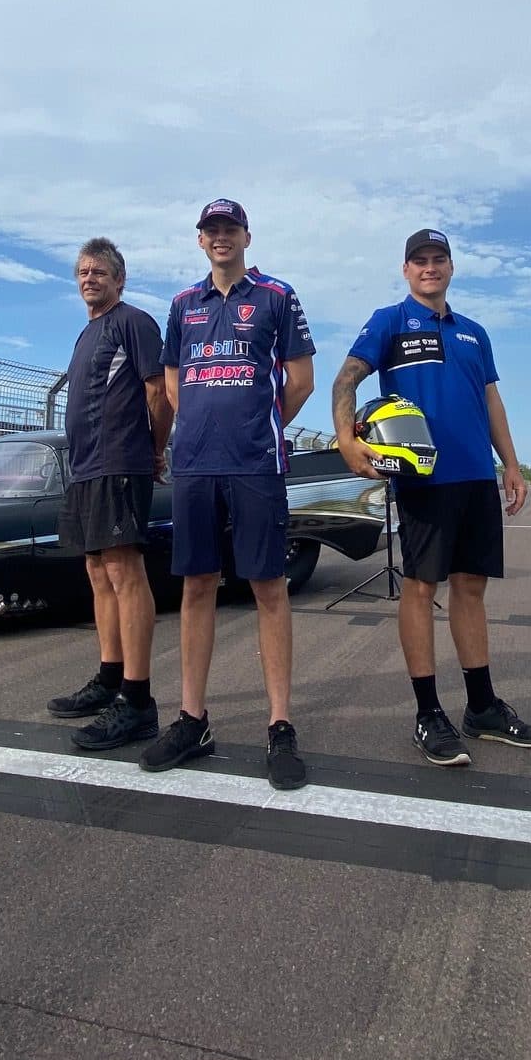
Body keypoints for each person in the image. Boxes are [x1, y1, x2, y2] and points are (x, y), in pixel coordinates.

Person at [332, 228, 531, 766]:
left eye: (438, 259)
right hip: (424, 478)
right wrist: (346, 441)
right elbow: (346, 381)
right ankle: (428, 713)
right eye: (419, 261)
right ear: (406, 270)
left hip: (476, 475)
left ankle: (482, 709)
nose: (429, 268)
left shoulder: (475, 333)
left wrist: (512, 465)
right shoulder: (389, 321)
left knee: (471, 588)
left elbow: (492, 401)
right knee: (421, 587)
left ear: (451, 267)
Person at [142, 199, 315, 790]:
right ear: (201, 241)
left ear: (246, 235)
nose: (220, 238)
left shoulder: (277, 296)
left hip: (255, 464)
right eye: (210, 230)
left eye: (229, 229)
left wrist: (256, 425)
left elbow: (301, 379)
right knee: (195, 586)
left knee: (268, 586)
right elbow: (171, 379)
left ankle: (281, 724)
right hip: (194, 466)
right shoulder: (182, 305)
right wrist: (197, 428)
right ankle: (193, 719)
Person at [46, 238, 173, 751]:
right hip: (85, 469)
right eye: (82, 271)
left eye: (99, 271)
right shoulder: (86, 334)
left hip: (121, 462)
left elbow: (159, 392)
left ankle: (138, 700)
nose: (89, 278)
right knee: (97, 571)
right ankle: (110, 677)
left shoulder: (133, 322)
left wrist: (154, 450)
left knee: (124, 571)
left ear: (119, 280)